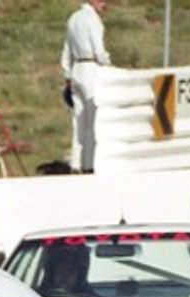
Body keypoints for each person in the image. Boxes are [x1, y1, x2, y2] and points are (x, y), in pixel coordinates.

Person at [59, 0, 111, 174]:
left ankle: (75, 163)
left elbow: (66, 51)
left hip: (76, 70)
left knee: (78, 121)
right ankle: (89, 164)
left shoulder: (73, 18)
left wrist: (67, 75)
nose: (106, 4)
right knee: (92, 119)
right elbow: (99, 50)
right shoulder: (93, 19)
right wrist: (108, 65)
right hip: (91, 68)